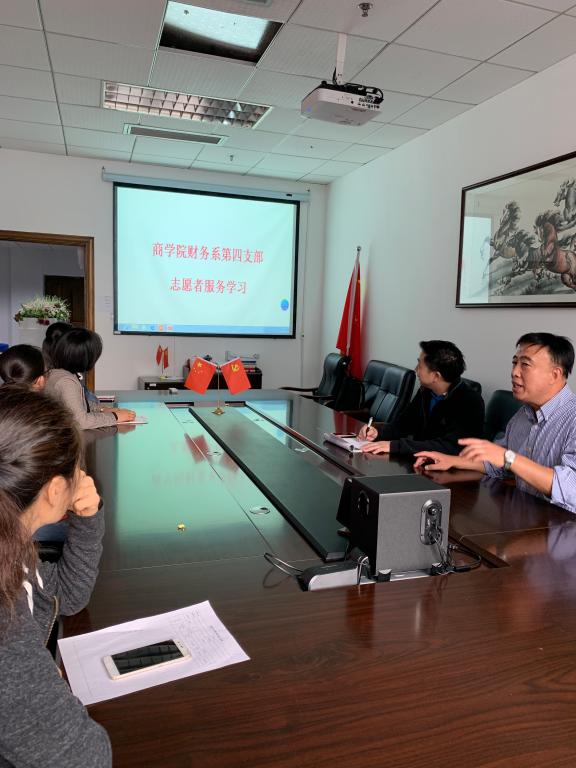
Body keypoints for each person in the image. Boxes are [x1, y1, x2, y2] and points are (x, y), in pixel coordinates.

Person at [0, 387, 111, 767]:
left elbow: (67, 594)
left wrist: (87, 516)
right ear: (55, 490)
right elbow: (87, 759)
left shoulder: (11, 548)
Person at [415, 333, 576, 514]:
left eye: (525, 364)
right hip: (525, 518)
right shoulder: (523, 415)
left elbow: (572, 489)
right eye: (514, 362)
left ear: (554, 375)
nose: (514, 372)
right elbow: (499, 462)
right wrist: (451, 460)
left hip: (564, 526)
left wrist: (509, 458)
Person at [359, 340, 485, 456]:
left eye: (420, 366)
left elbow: (449, 447)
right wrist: (379, 432)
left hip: (447, 469)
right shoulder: (426, 391)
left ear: (436, 376)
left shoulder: (470, 401)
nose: (416, 370)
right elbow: (404, 424)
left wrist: (395, 446)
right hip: (418, 460)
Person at [44, 328, 134, 429]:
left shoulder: (58, 374)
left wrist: (102, 410)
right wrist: (115, 417)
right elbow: (81, 422)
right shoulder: (67, 382)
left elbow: (79, 405)